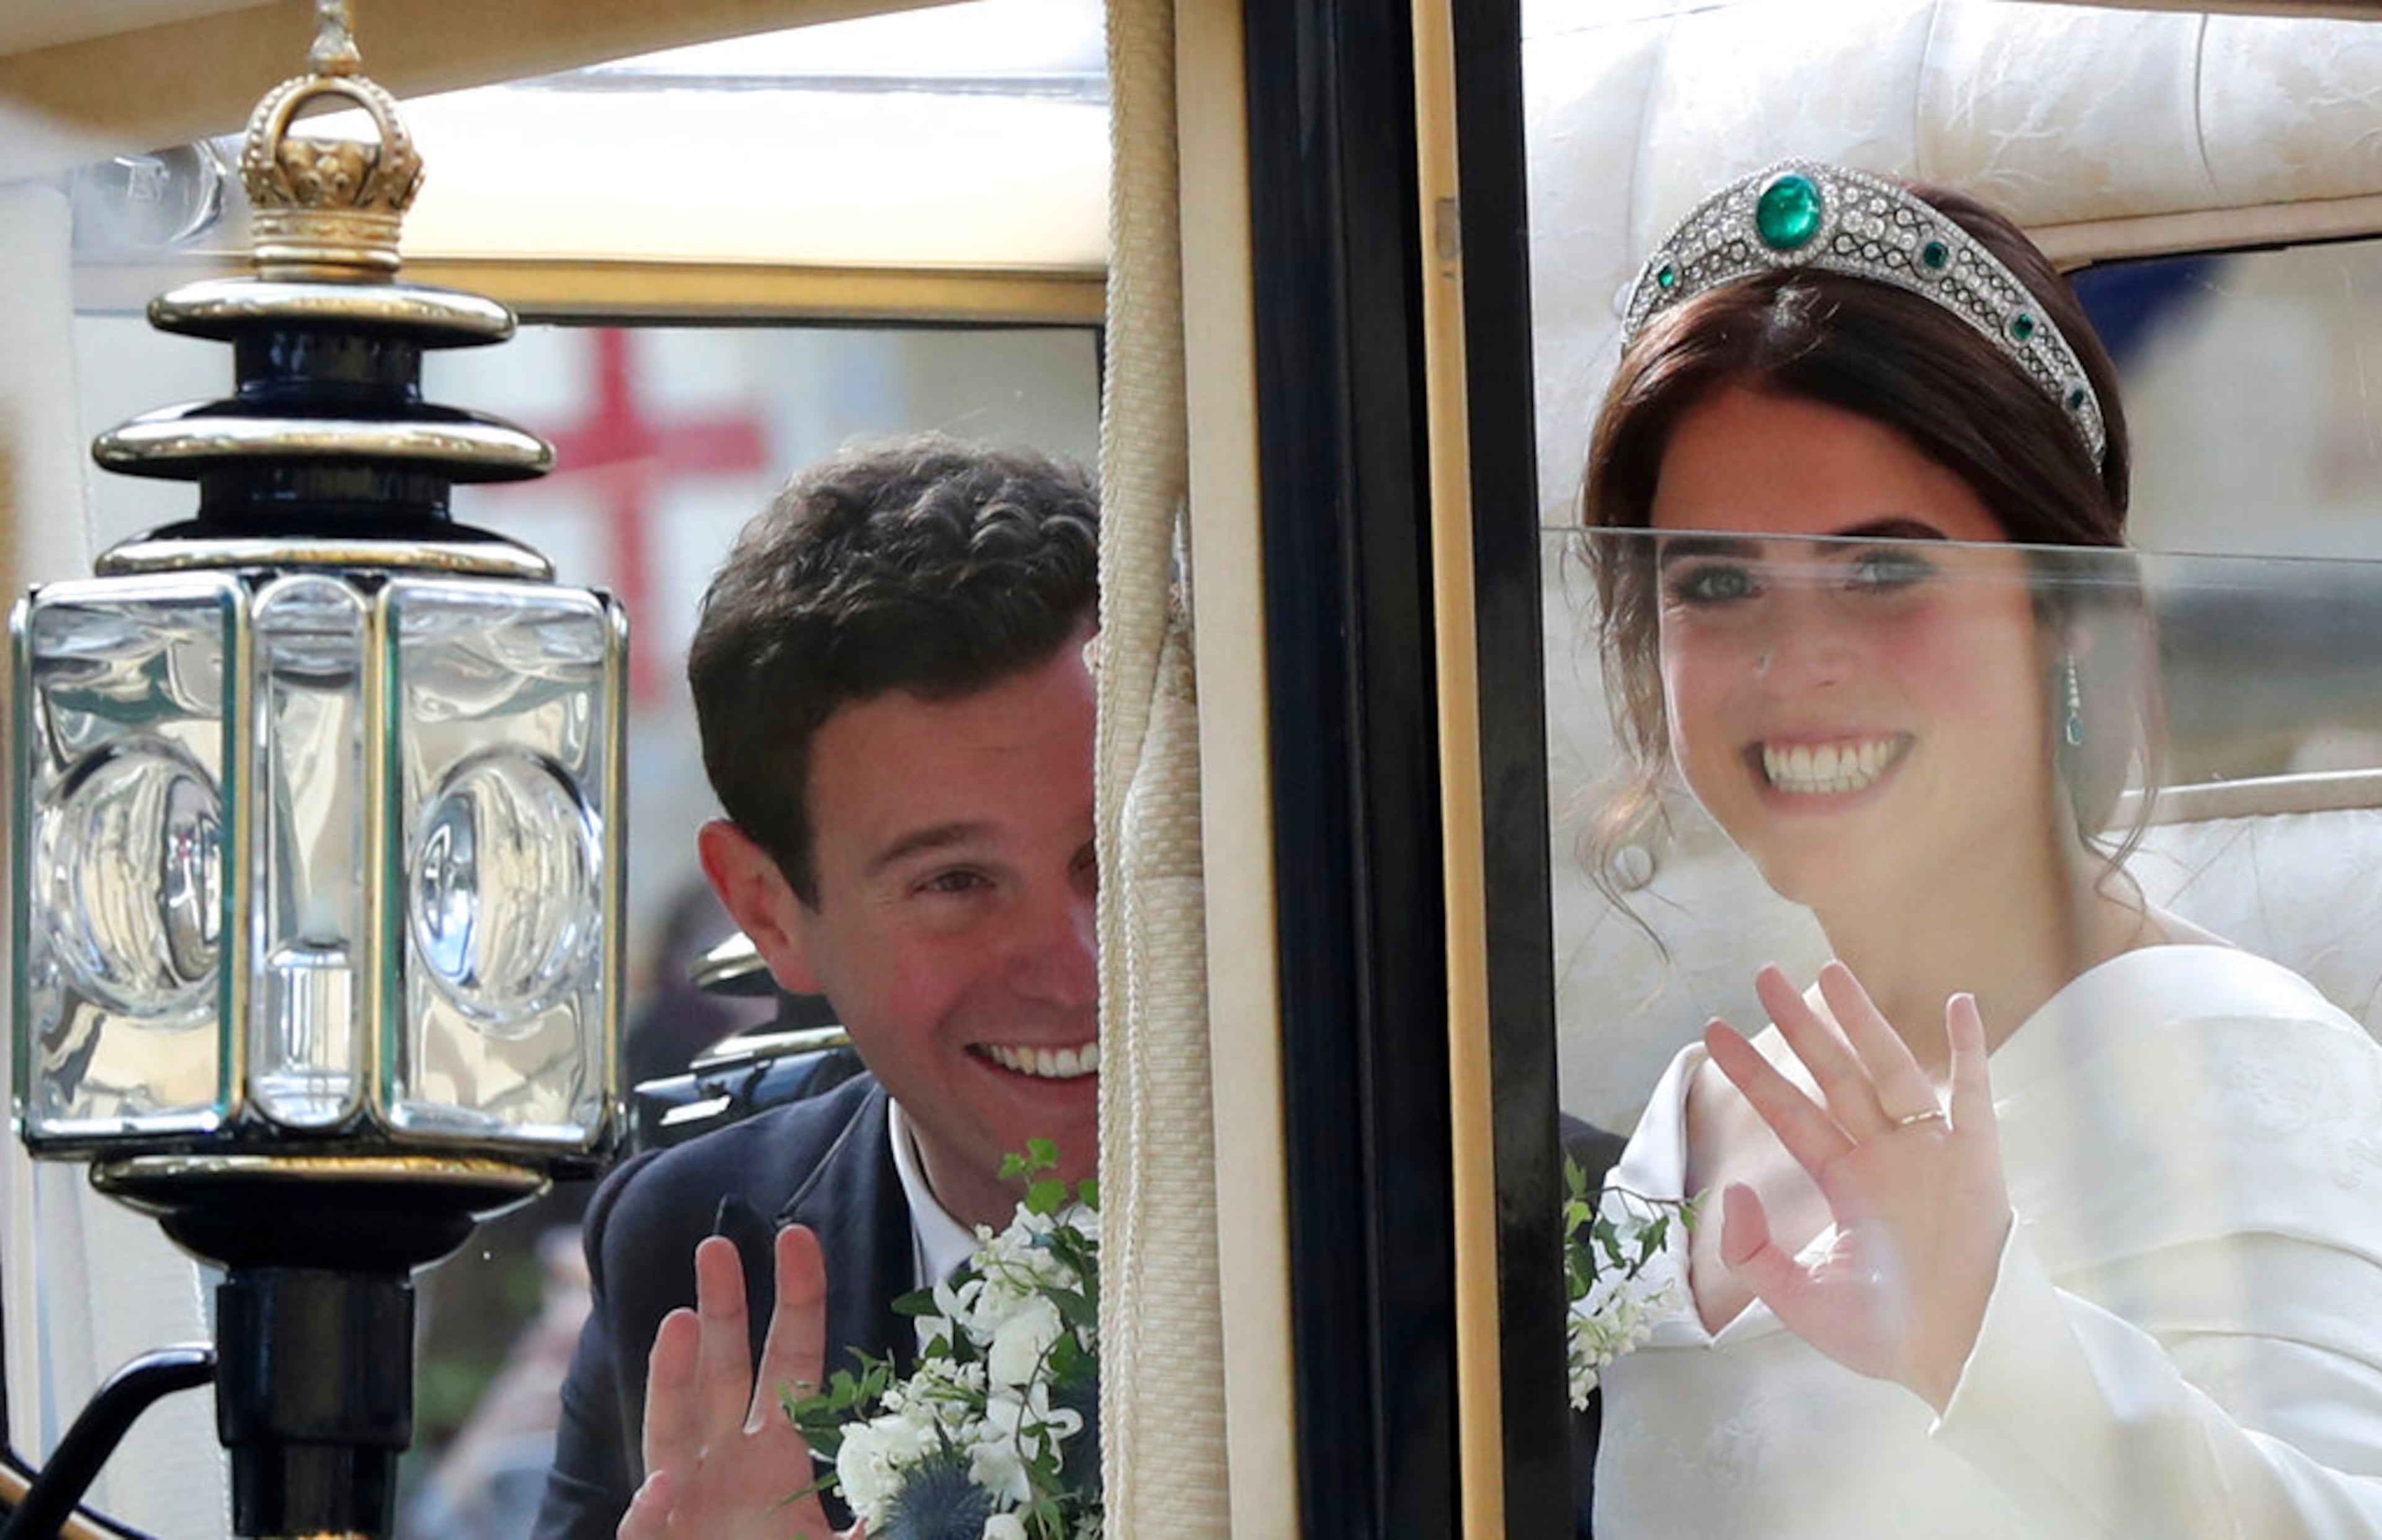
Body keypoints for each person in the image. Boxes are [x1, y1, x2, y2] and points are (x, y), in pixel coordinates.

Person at [1575, 161, 2382, 1535]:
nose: (1796, 663)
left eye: (1883, 571)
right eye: (1715, 584)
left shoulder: (2234, 1067)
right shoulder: (1687, 1132)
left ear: (2065, 617)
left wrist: (1989, 1339)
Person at [531, 435, 1102, 1540]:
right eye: (957, 881)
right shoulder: (685, 1252)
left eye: (1114, 854)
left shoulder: (1493, 1232)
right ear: (768, 910)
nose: (1078, 971)